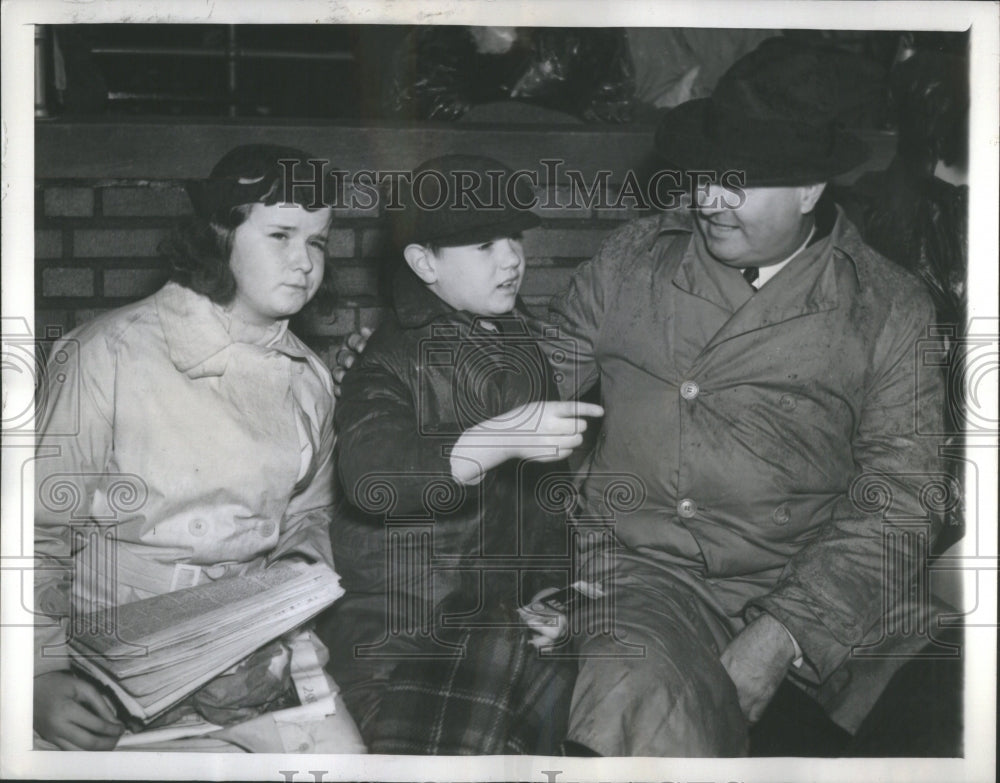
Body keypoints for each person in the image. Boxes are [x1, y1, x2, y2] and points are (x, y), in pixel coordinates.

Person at [336, 39, 947, 756]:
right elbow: (528, 382)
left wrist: (785, 632)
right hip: (647, 581)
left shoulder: (887, 304)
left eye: (738, 182)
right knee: (626, 701)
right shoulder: (634, 259)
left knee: (954, 692)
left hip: (828, 587)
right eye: (703, 177)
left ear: (810, 187)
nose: (707, 200)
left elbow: (903, 496)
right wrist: (398, 362)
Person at [32, 144, 365, 753]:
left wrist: (293, 578)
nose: (304, 263)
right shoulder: (107, 353)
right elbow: (34, 531)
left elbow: (308, 515)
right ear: (219, 236)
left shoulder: (308, 378)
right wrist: (37, 674)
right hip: (108, 669)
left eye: (317, 241)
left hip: (250, 655)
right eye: (281, 235)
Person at [317, 154, 602, 754]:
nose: (512, 257)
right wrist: (497, 439)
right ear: (423, 262)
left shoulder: (517, 341)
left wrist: (557, 601)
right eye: (482, 244)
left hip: (499, 622)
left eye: (514, 237)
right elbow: (373, 475)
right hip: (403, 642)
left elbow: (544, 509)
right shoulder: (391, 358)